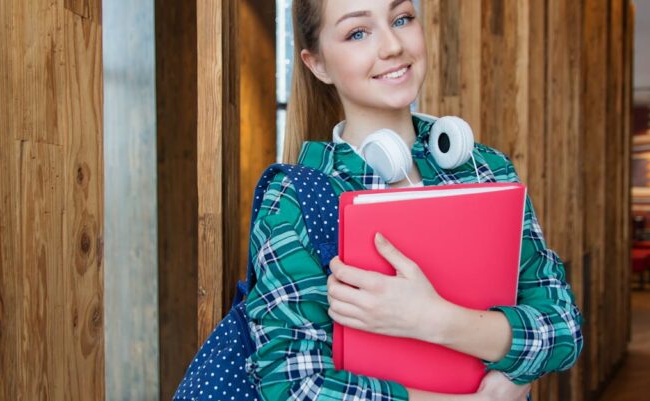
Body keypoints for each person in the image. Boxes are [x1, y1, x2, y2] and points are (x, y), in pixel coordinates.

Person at [243, 0, 584, 400]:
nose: (392, 46)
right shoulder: (296, 198)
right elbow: (293, 385)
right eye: (358, 32)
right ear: (317, 64)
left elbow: (564, 329)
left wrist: (434, 319)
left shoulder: (487, 169)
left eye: (401, 19)